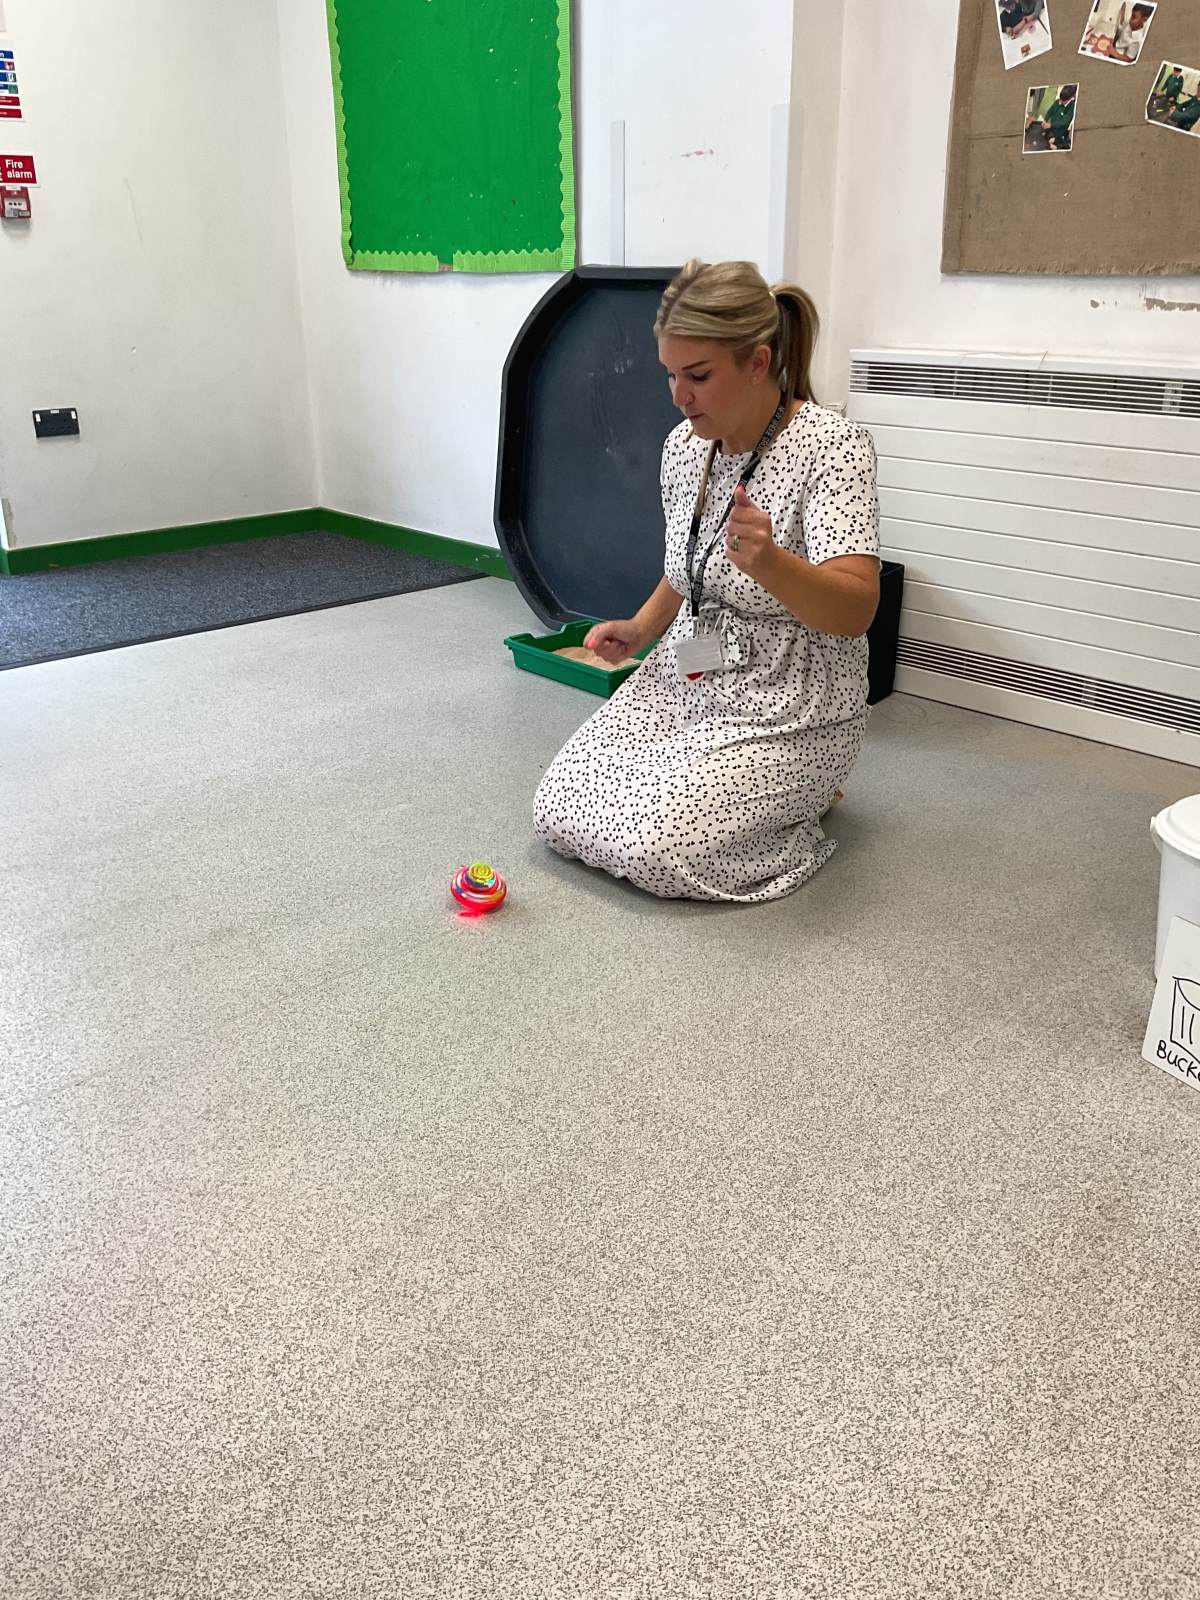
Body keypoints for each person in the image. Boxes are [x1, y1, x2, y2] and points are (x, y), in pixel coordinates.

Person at [532, 260, 881, 903]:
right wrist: (640, 629)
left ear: (757, 363)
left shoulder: (832, 446)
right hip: (693, 671)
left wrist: (771, 563)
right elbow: (686, 570)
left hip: (794, 703)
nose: (678, 395)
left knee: (653, 850)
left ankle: (805, 802)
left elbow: (857, 609)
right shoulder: (684, 447)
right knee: (559, 810)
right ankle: (732, 791)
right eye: (669, 374)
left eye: (697, 375)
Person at [1043, 85, 1077, 150]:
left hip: (1060, 133)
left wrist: (1055, 137)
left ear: (1070, 98)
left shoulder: (1072, 108)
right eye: (1060, 99)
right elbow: (1050, 111)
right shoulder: (1057, 101)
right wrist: (1045, 119)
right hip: (1052, 129)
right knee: (1045, 139)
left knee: (1051, 146)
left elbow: (1064, 122)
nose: (1060, 102)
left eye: (1063, 101)